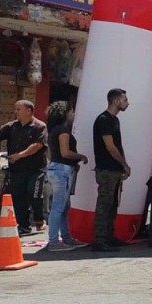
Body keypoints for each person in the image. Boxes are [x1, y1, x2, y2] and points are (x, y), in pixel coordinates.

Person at [0, 99, 48, 235]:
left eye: (18, 109)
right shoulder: (11, 126)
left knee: (34, 193)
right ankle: (23, 225)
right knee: (18, 197)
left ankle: (39, 220)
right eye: (15, 109)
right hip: (17, 170)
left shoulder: (39, 126)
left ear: (29, 111)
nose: (15, 112)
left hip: (35, 169)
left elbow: (37, 145)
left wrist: (19, 155)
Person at [43, 101, 87, 251]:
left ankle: (66, 238)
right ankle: (54, 241)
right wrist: (81, 156)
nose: (73, 114)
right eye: (72, 111)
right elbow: (65, 152)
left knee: (63, 206)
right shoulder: (63, 131)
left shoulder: (53, 130)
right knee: (58, 207)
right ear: (65, 113)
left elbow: (51, 153)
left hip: (56, 168)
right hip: (62, 170)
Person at [91, 88, 130, 252]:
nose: (127, 103)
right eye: (125, 99)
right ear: (115, 101)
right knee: (104, 203)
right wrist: (124, 164)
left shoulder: (114, 120)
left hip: (114, 169)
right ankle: (99, 239)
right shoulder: (104, 119)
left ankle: (109, 236)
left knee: (113, 203)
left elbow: (118, 146)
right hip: (106, 169)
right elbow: (110, 146)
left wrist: (123, 164)